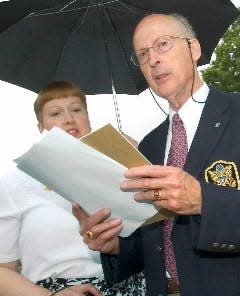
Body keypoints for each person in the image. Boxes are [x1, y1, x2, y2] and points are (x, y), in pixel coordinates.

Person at [73, 13, 240, 296]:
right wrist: (114, 246)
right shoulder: (149, 146)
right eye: (143, 54)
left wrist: (203, 200)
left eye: (162, 44)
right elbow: (156, 243)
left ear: (194, 49)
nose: (153, 59)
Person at [0, 81, 145, 296]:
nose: (69, 119)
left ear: (88, 120)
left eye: (76, 109)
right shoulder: (15, 183)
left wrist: (137, 161)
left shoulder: (125, 173)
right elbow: (4, 270)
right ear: (41, 128)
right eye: (55, 113)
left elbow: (158, 243)